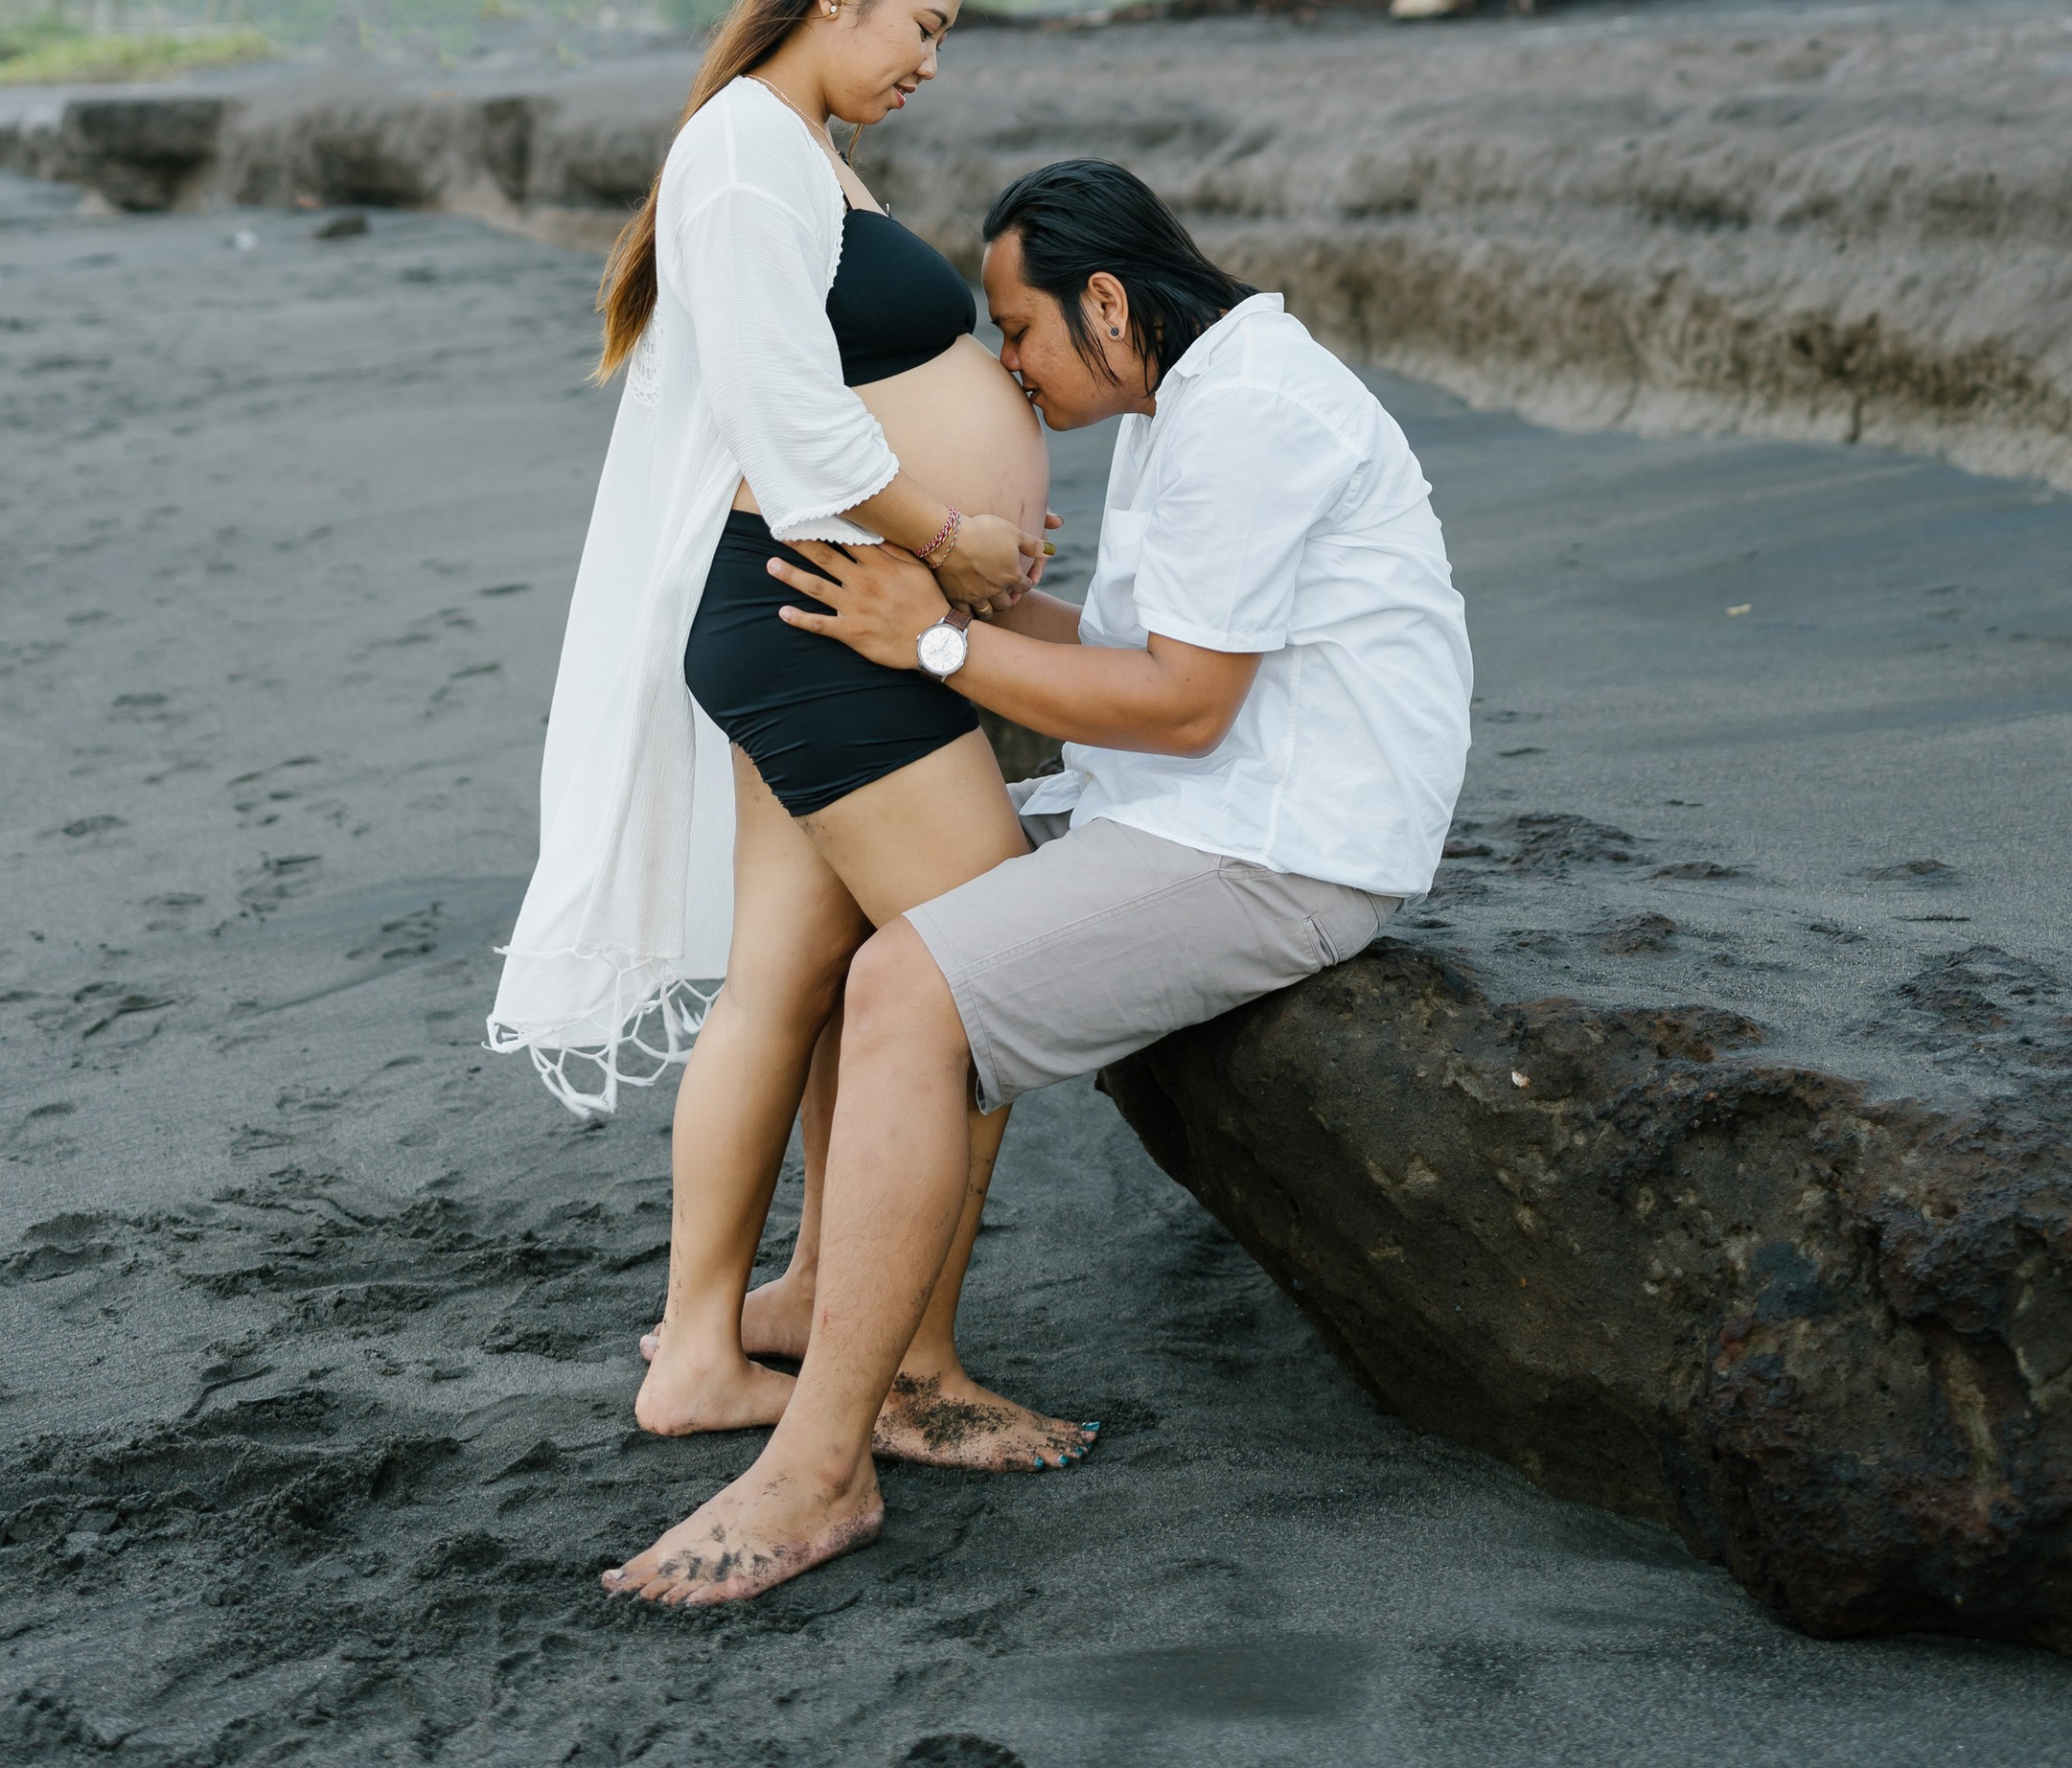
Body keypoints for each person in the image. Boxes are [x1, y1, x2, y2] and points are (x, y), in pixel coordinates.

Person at [601, 156, 1475, 1607]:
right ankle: (843, 1327)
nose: (1008, 367)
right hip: (1213, 809)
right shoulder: (1193, 396)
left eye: (1018, 329)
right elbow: (1151, 649)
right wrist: (963, 599)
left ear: (1111, 303)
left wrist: (930, 643)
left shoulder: (1248, 413)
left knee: (907, 979)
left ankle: (823, 1465)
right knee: (876, 945)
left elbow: (1186, 703)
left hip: (1279, 848)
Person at [490, 0, 1090, 1469]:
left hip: (825, 603)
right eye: (924, 25)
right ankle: (913, 1372)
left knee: (794, 985)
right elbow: (790, 420)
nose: (932, 64)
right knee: (987, 978)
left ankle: (742, 1326)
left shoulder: (790, 147)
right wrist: (957, 538)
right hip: (825, 609)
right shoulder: (751, 153)